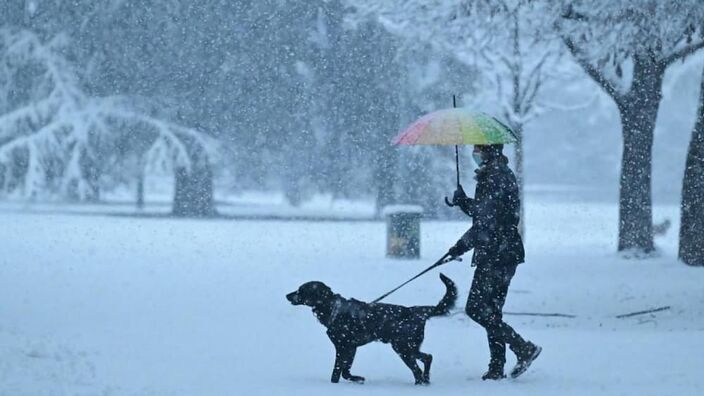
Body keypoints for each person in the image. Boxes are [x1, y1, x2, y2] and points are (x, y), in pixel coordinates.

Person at [447, 144, 541, 380]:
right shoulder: (499, 174)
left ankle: (523, 348)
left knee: (476, 309)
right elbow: (487, 213)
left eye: (478, 149)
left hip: (496, 254)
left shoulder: (493, 177)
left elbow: (485, 224)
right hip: (505, 251)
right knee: (492, 311)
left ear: (488, 151)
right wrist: (464, 202)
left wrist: (459, 247)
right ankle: (496, 367)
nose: (475, 154)